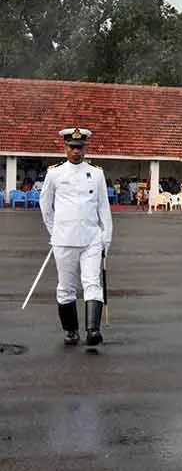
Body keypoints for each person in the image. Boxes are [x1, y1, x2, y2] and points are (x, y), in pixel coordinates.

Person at [40, 128, 113, 346]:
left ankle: (93, 330)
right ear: (65, 148)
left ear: (85, 148)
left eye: (79, 147)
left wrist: (106, 238)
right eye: (72, 147)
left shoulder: (96, 173)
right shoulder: (54, 173)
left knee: (92, 283)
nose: (76, 151)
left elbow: (104, 208)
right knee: (66, 287)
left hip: (91, 238)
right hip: (64, 239)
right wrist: (55, 231)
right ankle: (71, 330)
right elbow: (46, 206)